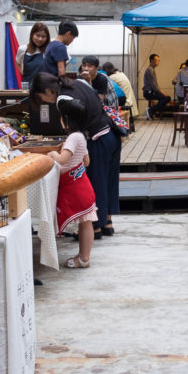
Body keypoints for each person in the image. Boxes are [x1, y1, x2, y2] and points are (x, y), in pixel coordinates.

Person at [32, 72, 120, 237]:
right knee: (108, 181)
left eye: (41, 97)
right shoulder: (76, 82)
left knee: (96, 181)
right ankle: (107, 222)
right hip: (111, 134)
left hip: (97, 137)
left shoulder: (63, 100)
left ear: (48, 91)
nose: (44, 101)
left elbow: (80, 111)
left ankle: (94, 227)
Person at [48, 96, 97, 268]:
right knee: (86, 223)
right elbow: (87, 161)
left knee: (85, 223)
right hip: (83, 185)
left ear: (66, 119)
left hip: (75, 188)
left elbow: (62, 159)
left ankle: (83, 258)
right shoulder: (82, 137)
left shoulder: (72, 138)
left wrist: (53, 154)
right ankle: (84, 257)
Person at [15, 22, 50, 86]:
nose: (40, 39)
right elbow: (18, 63)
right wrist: (24, 73)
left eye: (43, 36)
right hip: (27, 88)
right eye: (38, 35)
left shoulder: (49, 50)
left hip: (44, 88)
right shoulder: (23, 49)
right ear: (32, 35)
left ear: (47, 38)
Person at [142, 53, 170, 120]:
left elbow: (155, 85)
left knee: (166, 98)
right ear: (152, 60)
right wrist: (163, 93)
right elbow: (154, 85)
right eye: (157, 60)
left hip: (152, 91)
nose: (158, 61)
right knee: (167, 98)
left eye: (159, 60)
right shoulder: (150, 70)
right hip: (148, 92)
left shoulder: (151, 69)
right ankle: (151, 110)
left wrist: (162, 93)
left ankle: (152, 111)